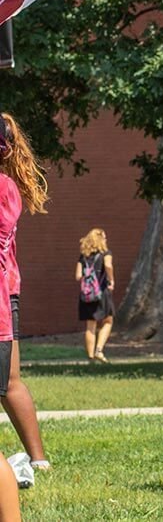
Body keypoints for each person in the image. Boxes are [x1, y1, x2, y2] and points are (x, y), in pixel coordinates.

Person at [0, 112, 50, 473]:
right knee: (9, 382)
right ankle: (39, 460)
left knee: (8, 383)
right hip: (6, 292)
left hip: (3, 295)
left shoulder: (4, 186)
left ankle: (37, 460)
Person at [75, 228, 115, 363]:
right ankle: (99, 350)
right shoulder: (106, 254)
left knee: (90, 325)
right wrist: (111, 280)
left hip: (86, 295)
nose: (106, 240)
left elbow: (78, 276)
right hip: (101, 292)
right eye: (104, 237)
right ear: (100, 239)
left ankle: (91, 357)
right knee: (108, 321)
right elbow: (108, 266)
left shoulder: (83, 257)